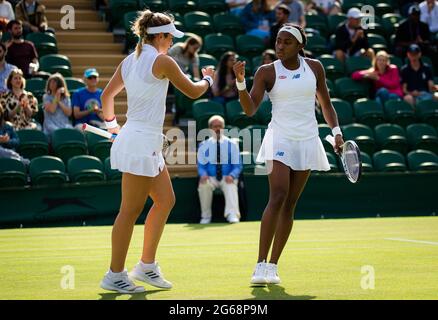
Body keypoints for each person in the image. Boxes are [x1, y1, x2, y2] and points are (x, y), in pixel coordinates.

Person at [99, 9, 215, 294]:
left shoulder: (130, 61)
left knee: (165, 200)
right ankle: (115, 274)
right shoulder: (163, 61)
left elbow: (107, 97)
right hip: (141, 142)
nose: (170, 42)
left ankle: (146, 266)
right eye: (169, 37)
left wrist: (113, 127)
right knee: (130, 211)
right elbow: (193, 91)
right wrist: (209, 79)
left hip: (143, 140)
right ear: (160, 37)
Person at [232, 23, 344, 284]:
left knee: (290, 203)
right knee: (279, 194)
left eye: (286, 42)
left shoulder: (314, 67)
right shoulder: (266, 71)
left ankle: (273, 265)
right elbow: (250, 109)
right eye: (278, 41)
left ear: (300, 46)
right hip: (279, 137)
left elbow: (325, 103)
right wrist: (240, 82)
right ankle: (260, 264)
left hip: (307, 139)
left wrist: (336, 131)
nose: (280, 46)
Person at [197, 115, 243, 224]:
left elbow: (238, 166)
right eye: (215, 126)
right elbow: (201, 166)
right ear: (210, 129)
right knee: (203, 185)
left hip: (226, 176)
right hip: (211, 177)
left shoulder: (232, 144)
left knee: (230, 184)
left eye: (220, 126)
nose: (217, 129)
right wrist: (203, 175)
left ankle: (232, 214)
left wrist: (232, 175)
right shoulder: (203, 145)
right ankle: (205, 216)